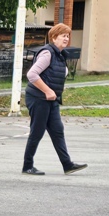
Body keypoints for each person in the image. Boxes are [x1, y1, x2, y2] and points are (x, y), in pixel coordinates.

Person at [21, 23, 87, 176]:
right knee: (37, 131)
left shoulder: (60, 55)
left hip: (52, 100)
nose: (66, 38)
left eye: (68, 36)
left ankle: (67, 164)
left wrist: (54, 91)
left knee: (58, 131)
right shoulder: (48, 53)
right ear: (54, 37)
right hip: (38, 98)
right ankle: (27, 166)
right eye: (63, 35)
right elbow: (32, 75)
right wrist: (47, 90)